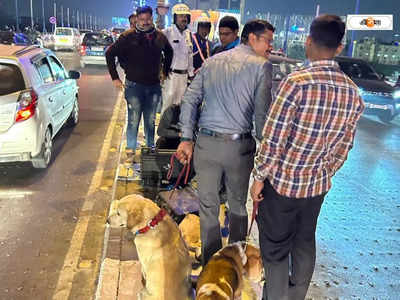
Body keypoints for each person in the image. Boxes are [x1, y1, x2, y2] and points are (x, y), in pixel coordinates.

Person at [250, 15, 365, 300]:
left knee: (275, 250)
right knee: (303, 244)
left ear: (309, 41)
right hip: (317, 189)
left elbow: (273, 139)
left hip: (283, 187)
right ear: (340, 47)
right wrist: (324, 172)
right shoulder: (353, 92)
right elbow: (344, 147)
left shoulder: (296, 82)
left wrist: (259, 177)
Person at [177, 19, 274, 266]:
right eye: (268, 41)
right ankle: (234, 261)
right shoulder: (262, 66)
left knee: (208, 206)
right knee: (238, 205)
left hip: (206, 146)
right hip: (238, 149)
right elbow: (262, 114)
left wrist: (186, 139)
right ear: (252, 38)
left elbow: (189, 101)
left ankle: (212, 263)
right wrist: (266, 145)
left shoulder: (211, 62)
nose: (270, 47)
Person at [105, 6, 173, 163]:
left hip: (154, 86)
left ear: (152, 18)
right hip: (134, 86)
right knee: (134, 119)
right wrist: (115, 77)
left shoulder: (159, 36)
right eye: (142, 20)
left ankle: (149, 150)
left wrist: (165, 71)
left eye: (148, 19)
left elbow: (169, 52)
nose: (145, 23)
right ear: (137, 19)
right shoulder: (127, 36)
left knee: (150, 120)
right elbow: (110, 54)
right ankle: (130, 151)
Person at [161, 3, 194, 114]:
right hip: (171, 76)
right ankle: (163, 130)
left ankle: (175, 130)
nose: (184, 18)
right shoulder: (167, 32)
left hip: (184, 77)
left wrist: (191, 74)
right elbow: (157, 51)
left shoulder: (189, 34)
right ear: (175, 17)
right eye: (181, 16)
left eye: (185, 16)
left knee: (180, 107)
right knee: (167, 104)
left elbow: (190, 56)